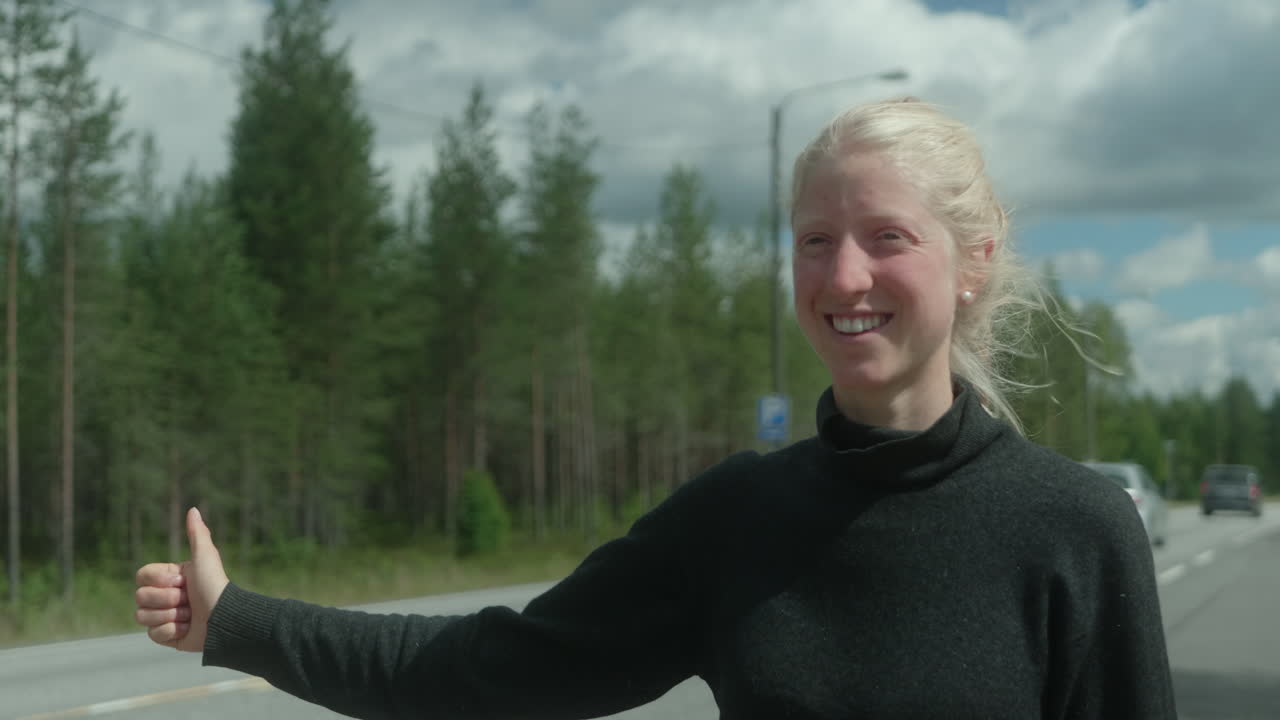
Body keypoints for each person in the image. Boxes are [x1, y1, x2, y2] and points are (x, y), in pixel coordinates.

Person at [135, 97, 1177, 718]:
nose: (842, 276)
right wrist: (239, 622)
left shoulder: (1072, 529)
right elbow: (485, 675)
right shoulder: (738, 520)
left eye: (885, 238)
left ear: (972, 263)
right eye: (814, 240)